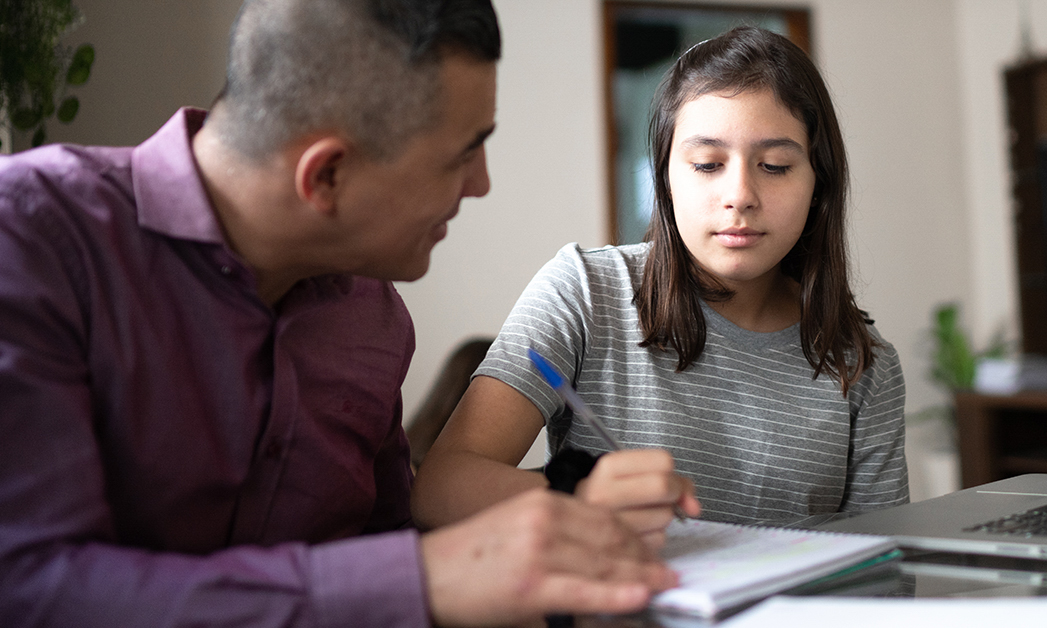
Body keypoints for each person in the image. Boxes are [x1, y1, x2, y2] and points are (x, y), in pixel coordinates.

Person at [0, 1, 696, 626]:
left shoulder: (373, 319)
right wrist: (425, 580)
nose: (481, 184)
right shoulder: (30, 239)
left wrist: (554, 541)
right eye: (462, 156)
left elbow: (389, 542)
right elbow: (32, 588)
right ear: (326, 175)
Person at [413, 26, 909, 532]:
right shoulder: (584, 290)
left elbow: (886, 571)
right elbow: (440, 488)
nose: (739, 194)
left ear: (818, 184)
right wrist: (577, 494)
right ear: (666, 178)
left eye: (776, 166)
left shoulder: (864, 363)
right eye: (707, 164)